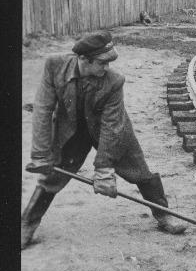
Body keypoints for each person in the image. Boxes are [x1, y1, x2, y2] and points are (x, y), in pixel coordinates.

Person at [21, 31, 187, 250]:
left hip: (109, 129)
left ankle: (164, 215)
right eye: (102, 63)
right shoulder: (55, 66)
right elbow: (43, 109)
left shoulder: (114, 81)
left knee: (139, 171)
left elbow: (112, 126)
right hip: (72, 130)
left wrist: (104, 169)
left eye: (109, 62)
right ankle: (27, 225)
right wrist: (41, 153)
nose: (107, 68)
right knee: (51, 175)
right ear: (83, 60)